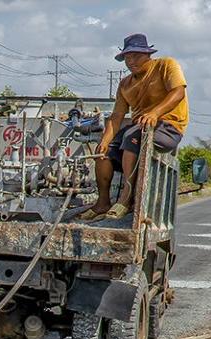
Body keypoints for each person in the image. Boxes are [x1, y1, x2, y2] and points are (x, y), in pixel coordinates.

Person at [79, 33, 188, 221]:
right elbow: (117, 116)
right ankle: (103, 201)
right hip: (139, 128)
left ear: (148, 55)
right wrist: (104, 141)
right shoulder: (125, 84)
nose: (131, 61)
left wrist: (155, 113)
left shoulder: (166, 65)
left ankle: (126, 199)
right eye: (127, 58)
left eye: (136, 56)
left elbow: (178, 92)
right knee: (103, 152)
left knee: (132, 135)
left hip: (168, 126)